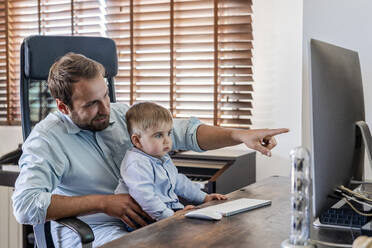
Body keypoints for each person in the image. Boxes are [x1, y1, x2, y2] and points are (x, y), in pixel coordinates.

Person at [12, 52, 289, 247]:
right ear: (63, 107)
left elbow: (184, 131)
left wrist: (240, 135)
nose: (106, 109)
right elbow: (25, 206)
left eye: (106, 95)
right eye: (91, 104)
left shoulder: (123, 115)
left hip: (149, 220)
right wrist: (104, 203)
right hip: (95, 229)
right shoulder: (46, 141)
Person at [115, 102, 227, 227]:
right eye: (158, 135)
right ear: (137, 141)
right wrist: (169, 216)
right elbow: (145, 197)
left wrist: (204, 197)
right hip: (146, 218)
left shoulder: (161, 157)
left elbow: (178, 182)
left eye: (169, 133)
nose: (167, 140)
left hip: (165, 212)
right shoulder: (136, 163)